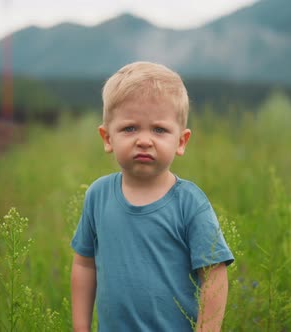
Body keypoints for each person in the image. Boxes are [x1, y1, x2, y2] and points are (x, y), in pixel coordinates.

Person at [70, 61, 234, 332]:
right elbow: (84, 266)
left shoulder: (189, 203)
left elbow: (215, 276)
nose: (144, 140)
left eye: (159, 130)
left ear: (181, 141)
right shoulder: (98, 196)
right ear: (107, 137)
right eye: (130, 128)